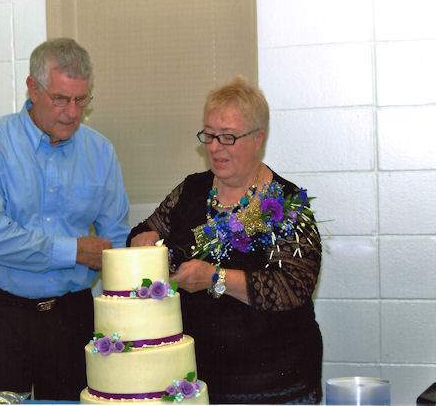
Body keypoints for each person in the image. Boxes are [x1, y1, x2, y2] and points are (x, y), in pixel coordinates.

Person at [128, 76, 323, 404]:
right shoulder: (191, 189)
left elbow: (293, 287)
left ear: (258, 137)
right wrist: (141, 240)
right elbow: (146, 230)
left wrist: (214, 279)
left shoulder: (285, 204)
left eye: (228, 137)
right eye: (209, 135)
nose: (215, 147)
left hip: (273, 384)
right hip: (198, 379)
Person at [0, 38, 131, 400]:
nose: (72, 112)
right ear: (32, 89)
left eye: (81, 100)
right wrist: (74, 252)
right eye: (60, 99)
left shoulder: (99, 151)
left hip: (72, 318)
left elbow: (115, 239)